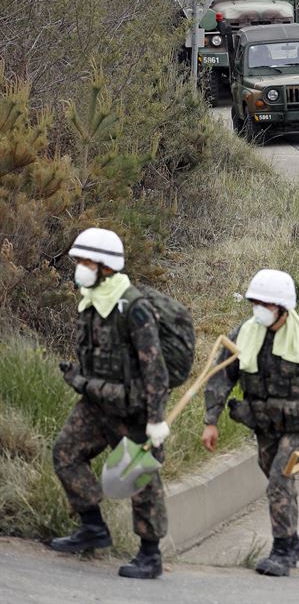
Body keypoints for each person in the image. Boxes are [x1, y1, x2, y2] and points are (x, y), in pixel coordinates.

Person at [202, 269, 299, 576]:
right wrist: (211, 420)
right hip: (265, 426)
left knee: (279, 480)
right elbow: (221, 377)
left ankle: (283, 549)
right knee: (275, 477)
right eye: (255, 302)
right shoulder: (243, 333)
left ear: (283, 308)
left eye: (266, 305)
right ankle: (292, 540)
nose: (259, 310)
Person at [51, 229, 175, 580]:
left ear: (105, 266)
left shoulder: (132, 307)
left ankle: (150, 555)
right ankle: (93, 526)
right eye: (79, 261)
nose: (79, 268)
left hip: (132, 410)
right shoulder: (91, 300)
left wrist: (155, 419)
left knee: (142, 478)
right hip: (96, 404)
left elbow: (155, 368)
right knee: (65, 453)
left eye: (86, 262)